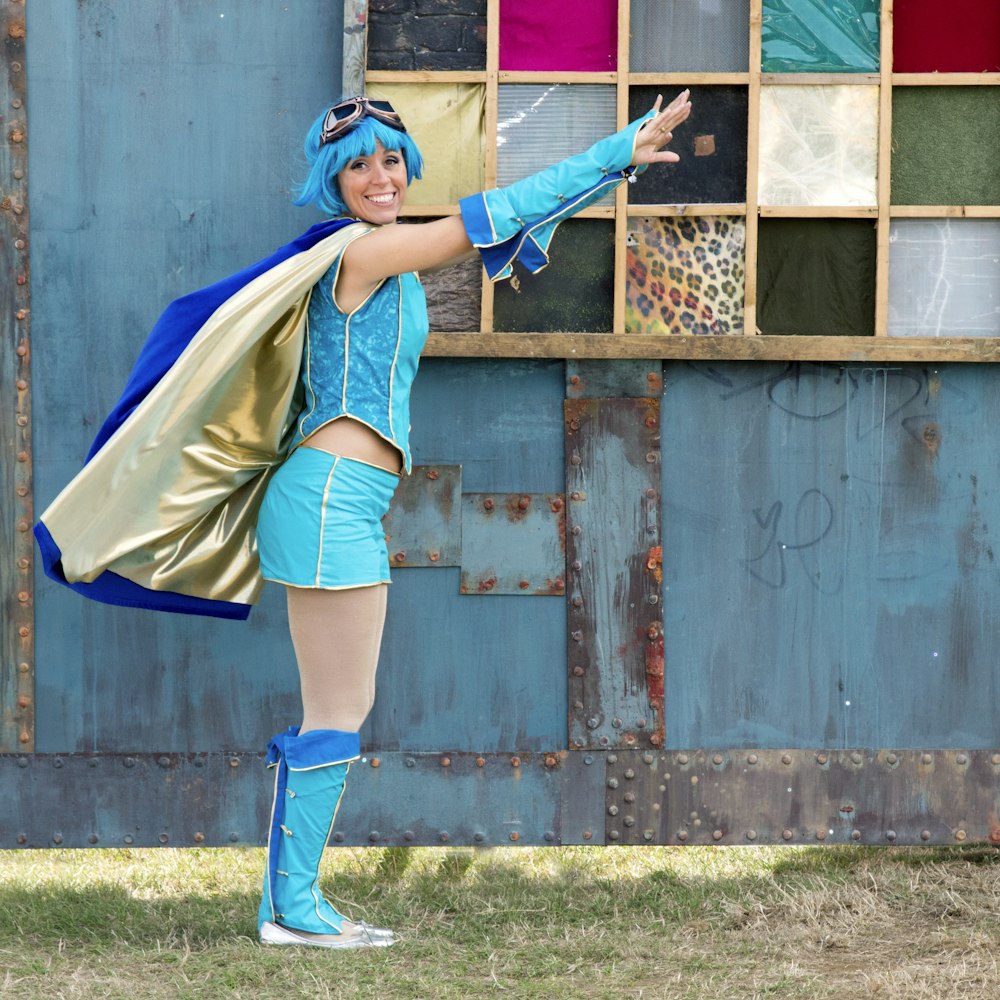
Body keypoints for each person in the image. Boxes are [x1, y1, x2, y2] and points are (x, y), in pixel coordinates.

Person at [34, 90, 692, 949]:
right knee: (337, 710)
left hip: (340, 498)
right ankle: (292, 911)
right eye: (357, 165)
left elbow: (502, 233)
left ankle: (293, 905)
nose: (379, 177)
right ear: (332, 181)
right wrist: (614, 152)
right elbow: (486, 218)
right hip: (328, 498)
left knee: (339, 706)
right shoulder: (363, 252)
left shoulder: (375, 258)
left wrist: (613, 173)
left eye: (390, 160)